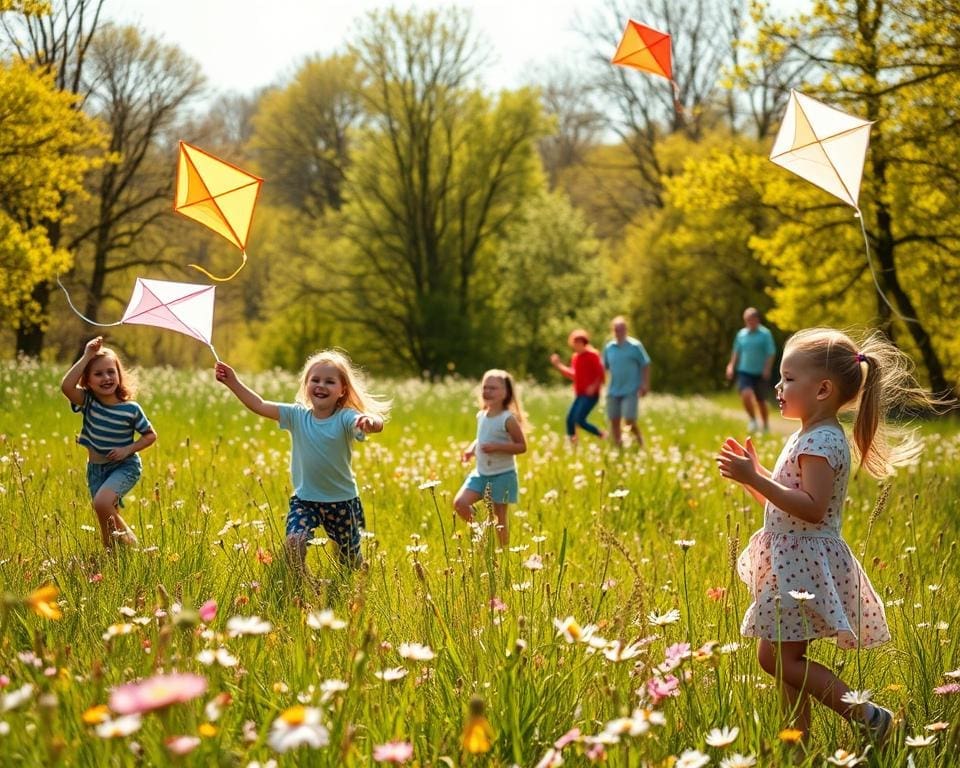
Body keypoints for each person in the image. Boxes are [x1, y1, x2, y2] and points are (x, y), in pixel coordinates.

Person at [716, 327, 938, 743]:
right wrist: (753, 476)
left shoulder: (821, 441)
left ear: (822, 390)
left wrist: (757, 479)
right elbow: (786, 504)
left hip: (802, 564)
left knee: (778, 659)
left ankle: (870, 717)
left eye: (788, 378)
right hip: (792, 560)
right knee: (785, 660)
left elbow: (812, 508)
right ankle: (797, 743)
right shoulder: (808, 435)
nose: (778, 387)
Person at [215, 349, 390, 573]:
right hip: (305, 500)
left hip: (343, 502)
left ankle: (350, 578)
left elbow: (374, 423)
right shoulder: (296, 415)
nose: (321, 385)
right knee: (294, 543)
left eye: (329, 381)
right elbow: (259, 404)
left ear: (342, 390)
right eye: (315, 380)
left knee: (349, 562)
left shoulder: (346, 418)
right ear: (306, 385)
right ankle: (306, 585)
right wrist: (233, 382)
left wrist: (370, 421)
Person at [60, 336, 156, 550]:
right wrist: (87, 355)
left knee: (102, 503)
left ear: (119, 375)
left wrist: (128, 449)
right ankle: (113, 556)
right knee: (106, 520)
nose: (106, 378)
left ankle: (134, 546)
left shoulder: (130, 409)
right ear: (87, 381)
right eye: (98, 374)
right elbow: (66, 386)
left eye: (111, 372)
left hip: (125, 466)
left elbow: (150, 435)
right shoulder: (88, 401)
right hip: (96, 470)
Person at [453, 369, 527, 546]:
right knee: (460, 503)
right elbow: (481, 438)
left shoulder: (508, 419)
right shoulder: (481, 415)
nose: (487, 391)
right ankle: (482, 533)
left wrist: (497, 447)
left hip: (503, 475)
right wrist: (471, 450)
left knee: (499, 519)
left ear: (505, 393)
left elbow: (522, 446)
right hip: (481, 473)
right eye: (485, 387)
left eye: (493, 388)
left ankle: (502, 552)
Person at [726, 307, 777, 433]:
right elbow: (736, 352)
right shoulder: (741, 334)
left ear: (757, 319)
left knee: (761, 401)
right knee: (746, 394)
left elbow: (771, 353)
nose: (749, 322)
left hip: (760, 372)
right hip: (744, 371)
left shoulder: (765, 334)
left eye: (751, 319)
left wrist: (767, 369)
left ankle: (765, 425)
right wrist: (731, 366)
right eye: (747, 320)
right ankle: (753, 420)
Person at [549, 329, 606, 443]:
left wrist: (594, 387)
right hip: (580, 394)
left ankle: (602, 434)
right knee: (570, 420)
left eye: (579, 342)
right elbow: (573, 375)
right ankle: (573, 445)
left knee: (579, 420)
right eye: (575, 342)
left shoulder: (593, 355)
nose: (577, 345)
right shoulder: (575, 357)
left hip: (591, 396)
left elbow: (601, 374)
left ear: (584, 342)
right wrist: (558, 365)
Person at [602, 316, 651, 447]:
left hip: (631, 390)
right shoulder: (609, 347)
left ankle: (640, 443)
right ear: (613, 330)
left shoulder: (635, 346)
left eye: (621, 329)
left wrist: (645, 384)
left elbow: (645, 364)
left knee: (629, 419)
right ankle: (618, 447)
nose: (619, 332)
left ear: (626, 330)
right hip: (613, 390)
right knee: (614, 420)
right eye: (616, 329)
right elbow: (604, 367)